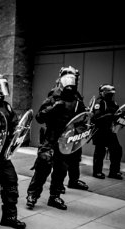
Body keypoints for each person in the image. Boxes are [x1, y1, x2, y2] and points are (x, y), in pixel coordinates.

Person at [26, 68, 87, 210]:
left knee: (61, 170)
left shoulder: (77, 101)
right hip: (51, 139)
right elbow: (39, 117)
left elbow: (83, 121)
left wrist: (75, 132)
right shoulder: (53, 96)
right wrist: (53, 108)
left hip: (65, 141)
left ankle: (55, 197)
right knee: (42, 167)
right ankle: (33, 195)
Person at [0, 74, 26, 229]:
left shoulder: (6, 106)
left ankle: (9, 217)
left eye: (3, 87)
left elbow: (14, 124)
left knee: (11, 182)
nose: (1, 91)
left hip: (2, 153)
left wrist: (16, 132)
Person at [46, 66, 88, 194]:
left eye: (75, 77)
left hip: (73, 132)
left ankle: (73, 181)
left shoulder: (76, 95)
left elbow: (81, 113)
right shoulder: (56, 93)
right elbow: (47, 115)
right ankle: (57, 186)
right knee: (60, 163)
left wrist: (82, 127)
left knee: (75, 157)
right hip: (59, 134)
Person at [91, 84, 123, 179]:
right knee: (100, 151)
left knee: (117, 150)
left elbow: (117, 116)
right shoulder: (99, 102)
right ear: (103, 93)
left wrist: (121, 116)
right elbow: (96, 118)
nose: (110, 96)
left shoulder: (114, 103)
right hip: (99, 130)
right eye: (108, 94)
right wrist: (110, 115)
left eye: (111, 94)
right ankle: (97, 172)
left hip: (109, 130)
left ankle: (114, 172)